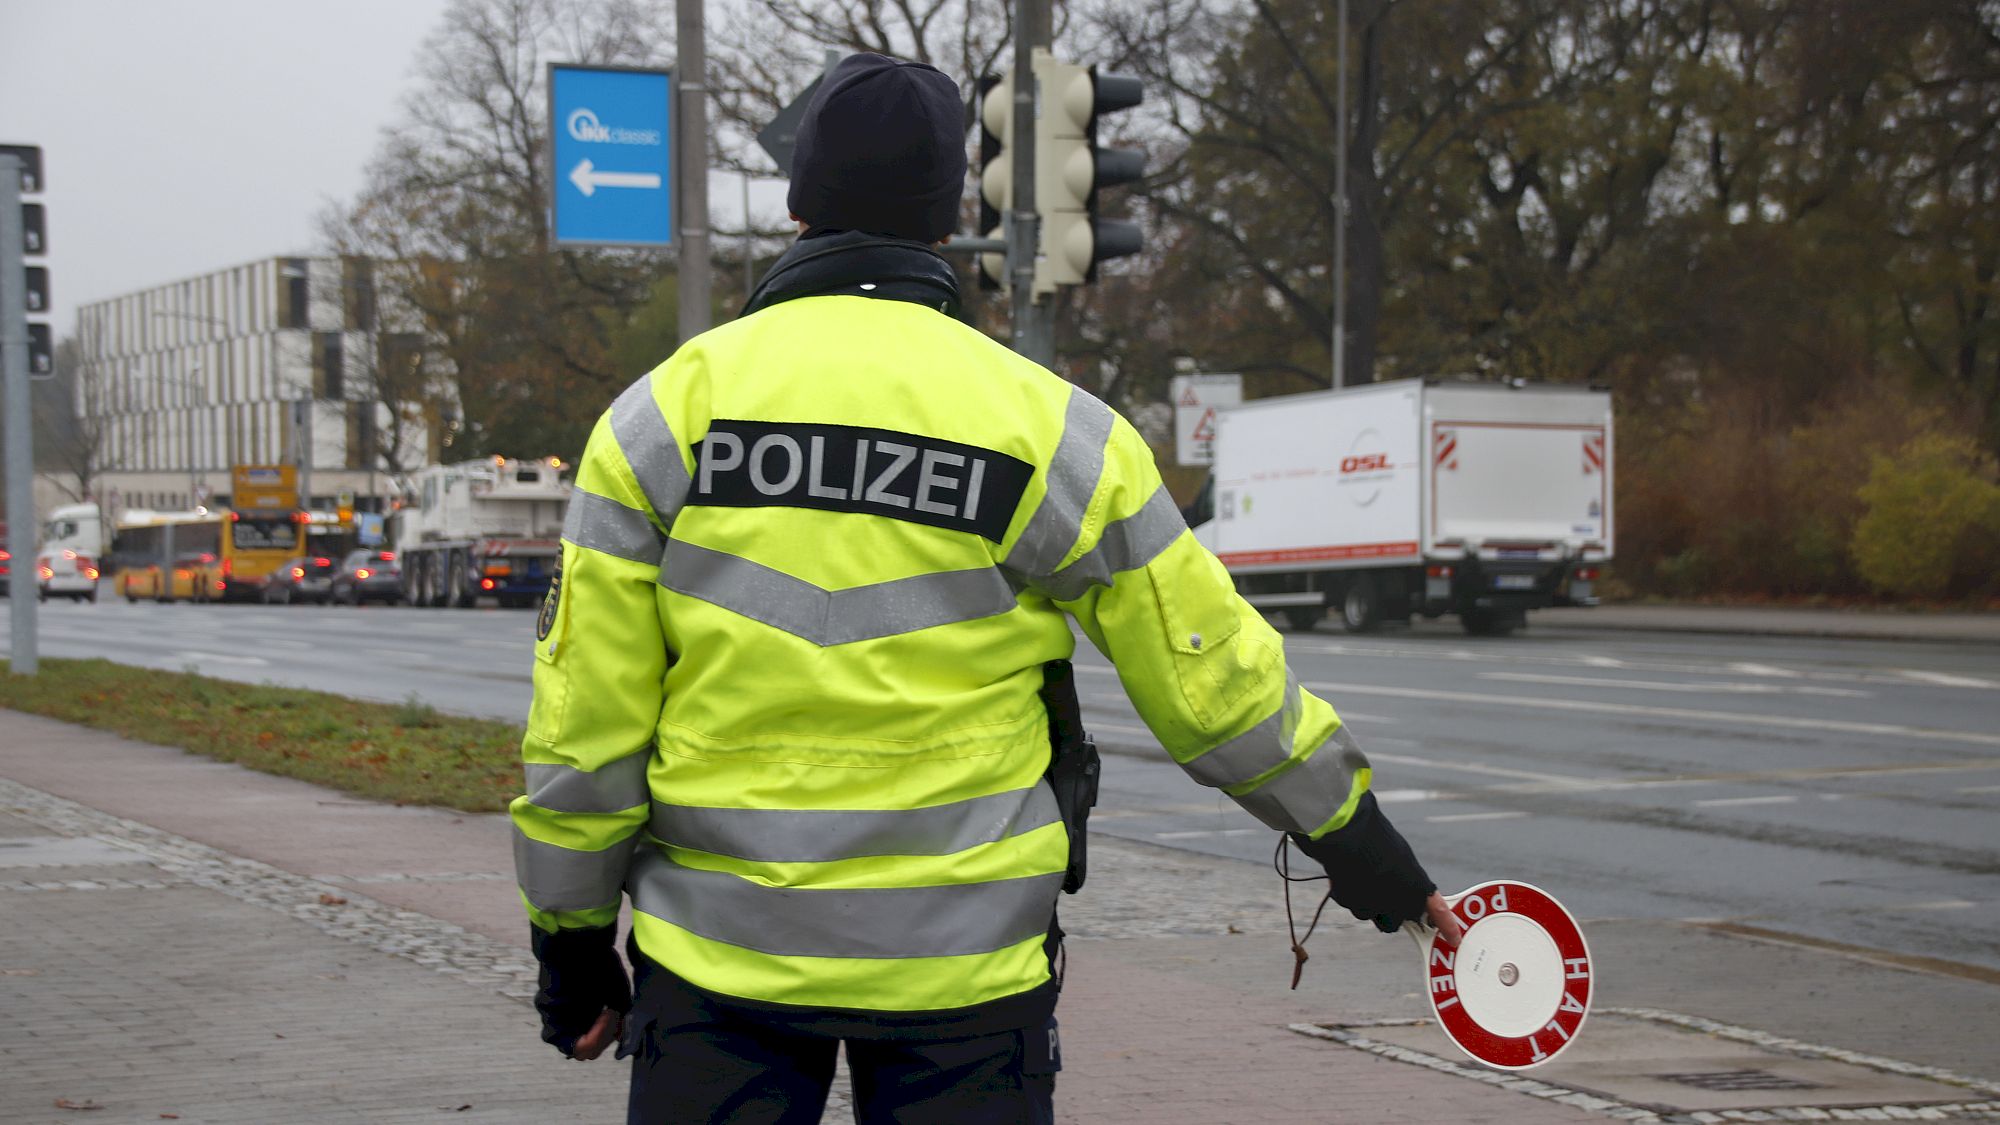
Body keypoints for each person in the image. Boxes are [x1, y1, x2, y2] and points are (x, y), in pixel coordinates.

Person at [512, 50, 1461, 1125]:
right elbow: (1214, 682)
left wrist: (572, 948)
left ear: (799, 202)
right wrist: (1367, 854)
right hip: (965, 979)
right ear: (950, 205)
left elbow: (582, 729)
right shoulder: (1053, 433)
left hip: (722, 971)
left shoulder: (658, 421)